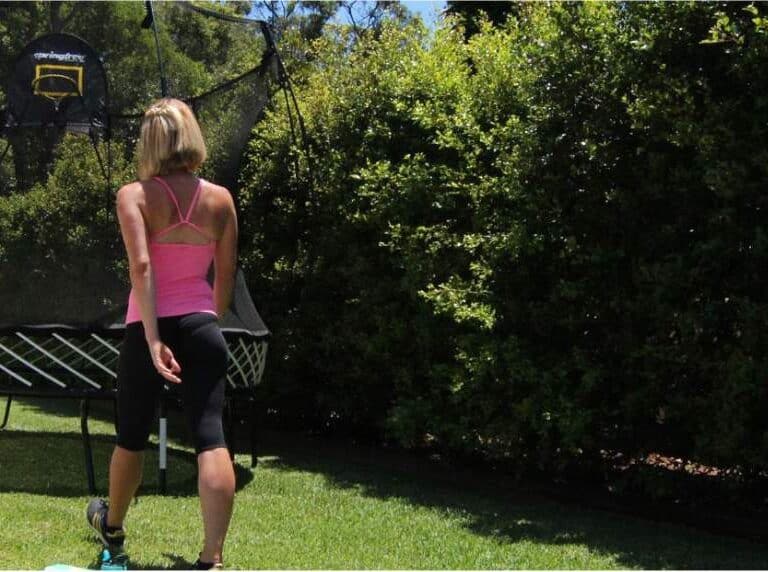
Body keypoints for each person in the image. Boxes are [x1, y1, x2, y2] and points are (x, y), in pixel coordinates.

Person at [86, 98, 238, 571]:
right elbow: (226, 276)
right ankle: (211, 558)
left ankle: (112, 528)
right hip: (202, 325)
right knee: (211, 438)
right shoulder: (220, 199)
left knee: (131, 435)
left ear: (150, 141)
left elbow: (142, 266)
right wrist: (207, 321)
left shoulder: (134, 195)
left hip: (146, 327)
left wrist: (153, 339)